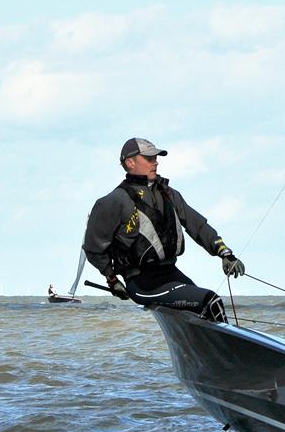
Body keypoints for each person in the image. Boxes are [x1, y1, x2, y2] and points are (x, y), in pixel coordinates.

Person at [83, 137, 244, 322]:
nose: (156, 162)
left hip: (170, 273)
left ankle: (215, 348)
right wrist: (111, 280)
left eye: (156, 158)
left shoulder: (168, 193)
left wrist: (224, 253)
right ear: (130, 162)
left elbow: (197, 225)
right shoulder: (113, 201)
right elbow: (93, 248)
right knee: (210, 301)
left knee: (203, 311)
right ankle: (224, 350)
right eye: (149, 158)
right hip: (143, 282)